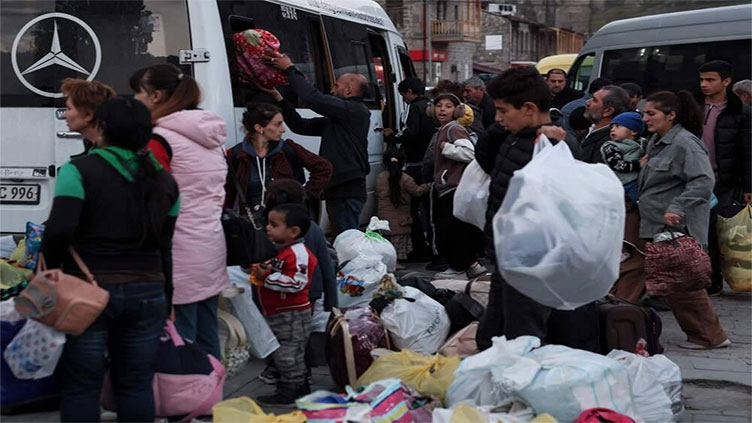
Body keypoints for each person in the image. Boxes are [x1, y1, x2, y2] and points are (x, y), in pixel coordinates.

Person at [42, 97, 180, 422]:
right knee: (135, 385)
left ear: (101, 128)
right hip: (149, 293)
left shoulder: (78, 171)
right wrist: (168, 297)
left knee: (81, 386)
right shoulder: (166, 182)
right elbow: (165, 247)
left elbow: (59, 231)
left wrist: (51, 277)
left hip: (86, 294)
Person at [475, 67, 589, 351]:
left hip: (532, 261)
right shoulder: (515, 137)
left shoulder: (554, 146)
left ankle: (523, 389)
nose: (498, 118)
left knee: (523, 338)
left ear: (528, 108)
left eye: (502, 111)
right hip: (507, 256)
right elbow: (486, 159)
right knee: (492, 335)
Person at [132, 64, 228, 359]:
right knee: (207, 332)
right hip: (210, 245)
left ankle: (188, 399)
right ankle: (211, 396)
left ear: (156, 96)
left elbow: (151, 199)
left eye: (139, 92)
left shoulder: (160, 139)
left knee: (180, 338)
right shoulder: (211, 137)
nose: (135, 98)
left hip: (178, 250)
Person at [639, 90, 730, 349]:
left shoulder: (686, 143)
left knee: (684, 282)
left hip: (679, 225)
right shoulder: (657, 141)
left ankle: (710, 337)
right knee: (673, 281)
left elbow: (703, 181)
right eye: (644, 113)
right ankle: (702, 335)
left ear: (671, 115)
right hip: (656, 222)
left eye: (651, 113)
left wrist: (677, 206)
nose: (645, 118)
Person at [264, 50, 370, 238]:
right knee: (342, 240)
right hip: (338, 189)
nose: (332, 90)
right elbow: (300, 126)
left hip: (347, 189)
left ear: (348, 90)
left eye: (336, 86)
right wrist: (280, 100)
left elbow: (313, 98)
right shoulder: (339, 118)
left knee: (347, 243)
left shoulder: (355, 111)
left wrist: (290, 69)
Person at [256, 179, 337, 386]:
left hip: (280, 296)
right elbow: (328, 269)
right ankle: (300, 372)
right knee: (299, 336)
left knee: (282, 338)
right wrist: (332, 302)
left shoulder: (268, 232)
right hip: (308, 294)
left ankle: (288, 378)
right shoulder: (313, 230)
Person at [250, 203, 317, 405]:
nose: (268, 228)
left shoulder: (298, 253)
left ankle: (290, 390)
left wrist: (268, 277)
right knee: (287, 354)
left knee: (288, 356)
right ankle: (299, 386)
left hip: (292, 315)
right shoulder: (282, 251)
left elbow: (297, 282)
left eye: (274, 224)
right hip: (280, 313)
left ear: (293, 231)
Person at [697, 60, 752, 296]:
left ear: (726, 81)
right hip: (696, 179)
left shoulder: (740, 112)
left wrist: (749, 185)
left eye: (710, 80)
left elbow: (749, 151)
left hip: (725, 181)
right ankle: (705, 277)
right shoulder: (694, 107)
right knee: (700, 230)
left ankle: (715, 279)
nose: (704, 85)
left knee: (718, 230)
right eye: (702, 80)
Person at [224, 102, 333, 214]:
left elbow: (324, 167)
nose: (283, 129)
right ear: (259, 128)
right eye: (278, 124)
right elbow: (229, 191)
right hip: (252, 222)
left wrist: (305, 195)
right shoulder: (237, 154)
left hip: (285, 220)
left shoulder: (288, 149)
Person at [429, 93, 485, 280]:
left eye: (448, 106)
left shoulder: (453, 129)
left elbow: (470, 153)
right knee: (458, 230)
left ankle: (457, 268)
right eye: (439, 105)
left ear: (457, 110)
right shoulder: (444, 129)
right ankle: (471, 266)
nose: (442, 109)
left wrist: (447, 148)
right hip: (450, 187)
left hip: (454, 187)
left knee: (452, 231)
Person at [383, 77, 436, 260]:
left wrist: (392, 137)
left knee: (411, 207)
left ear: (410, 92)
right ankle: (432, 247)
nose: (404, 99)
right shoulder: (430, 107)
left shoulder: (413, 108)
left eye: (403, 94)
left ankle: (419, 248)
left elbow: (409, 132)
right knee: (429, 208)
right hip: (429, 161)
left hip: (414, 162)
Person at [377, 148, 429, 266]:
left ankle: (388, 262)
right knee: (398, 245)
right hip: (401, 222)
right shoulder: (406, 179)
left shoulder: (380, 177)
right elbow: (417, 191)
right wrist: (428, 185)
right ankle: (397, 262)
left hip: (384, 220)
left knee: (387, 244)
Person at [59, 78, 116, 157]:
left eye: (69, 108)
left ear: (88, 115)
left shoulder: (107, 157)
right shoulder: (96, 149)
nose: (63, 115)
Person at [600, 112, 646, 203]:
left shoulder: (643, 143)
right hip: (621, 185)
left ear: (633, 131)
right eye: (612, 127)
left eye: (617, 126)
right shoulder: (610, 146)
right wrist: (638, 164)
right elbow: (617, 165)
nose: (612, 129)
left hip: (637, 183)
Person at [581, 85, 630, 164]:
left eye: (594, 100)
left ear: (608, 111)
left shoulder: (608, 143)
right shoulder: (589, 131)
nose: (588, 102)